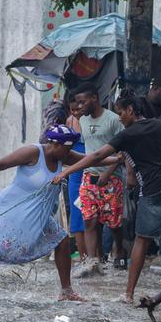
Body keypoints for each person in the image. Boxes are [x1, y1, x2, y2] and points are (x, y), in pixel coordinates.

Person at [55, 93, 161, 304]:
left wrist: (67, 171)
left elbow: (97, 156)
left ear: (131, 110)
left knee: (141, 240)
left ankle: (128, 294)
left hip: (152, 190)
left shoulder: (127, 135)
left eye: (121, 113)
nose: (119, 118)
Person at [0, 125, 96, 301]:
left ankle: (66, 291)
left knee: (62, 240)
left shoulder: (63, 155)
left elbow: (93, 159)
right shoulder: (33, 152)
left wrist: (117, 158)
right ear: (56, 144)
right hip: (15, 207)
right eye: (66, 149)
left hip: (38, 212)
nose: (68, 153)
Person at [72, 83, 125, 275]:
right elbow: (88, 151)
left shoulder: (113, 120)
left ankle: (119, 251)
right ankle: (92, 261)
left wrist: (108, 173)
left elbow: (123, 150)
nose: (80, 106)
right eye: (77, 102)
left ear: (94, 98)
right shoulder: (82, 121)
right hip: (89, 177)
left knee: (114, 223)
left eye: (82, 101)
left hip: (112, 179)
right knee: (89, 220)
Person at [64, 94, 88, 264]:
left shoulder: (93, 121)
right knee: (76, 211)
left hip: (92, 169)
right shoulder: (70, 121)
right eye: (72, 109)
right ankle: (83, 256)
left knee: (93, 213)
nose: (76, 112)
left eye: (79, 107)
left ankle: (97, 254)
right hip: (75, 173)